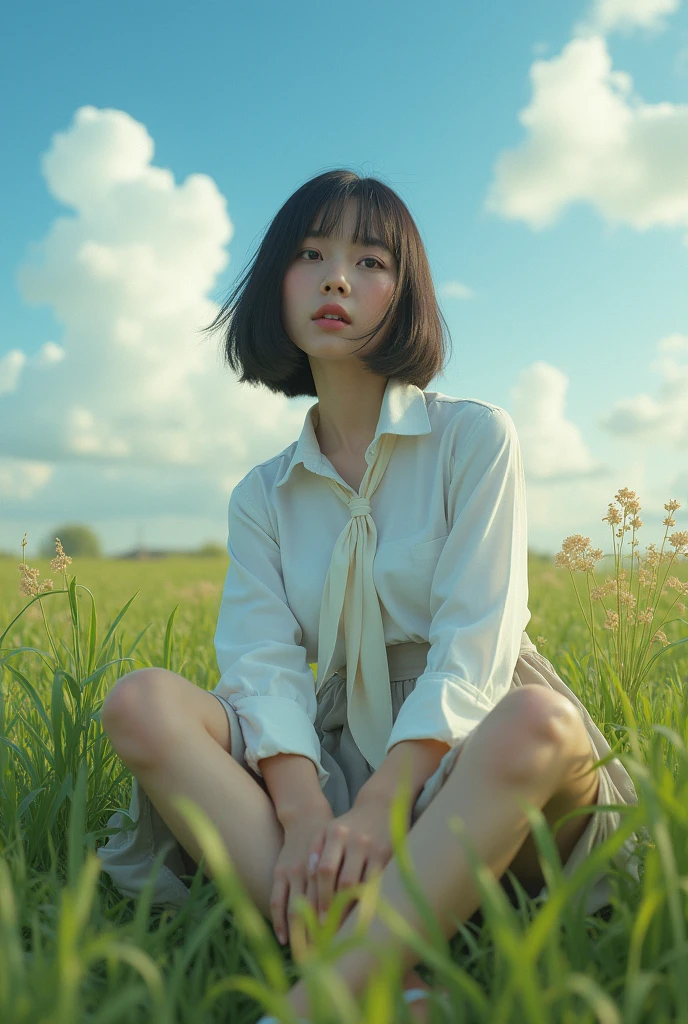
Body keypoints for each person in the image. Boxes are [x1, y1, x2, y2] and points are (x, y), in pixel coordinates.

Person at [96, 169, 641, 1023]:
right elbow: (262, 664)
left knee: (542, 721)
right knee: (141, 704)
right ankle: (378, 953)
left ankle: (319, 993)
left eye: (370, 260)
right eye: (310, 254)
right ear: (276, 282)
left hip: (476, 757)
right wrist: (307, 807)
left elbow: (477, 644)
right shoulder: (262, 495)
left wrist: (387, 803)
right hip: (335, 747)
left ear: (406, 291)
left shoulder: (474, 438)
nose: (337, 278)